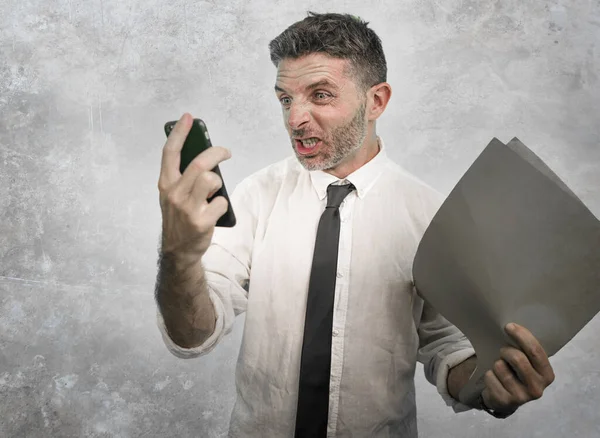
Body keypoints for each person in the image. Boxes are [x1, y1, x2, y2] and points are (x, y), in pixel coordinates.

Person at [155, 12, 555, 438]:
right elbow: (193, 335)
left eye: (320, 95)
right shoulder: (256, 197)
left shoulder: (431, 215)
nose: (295, 119)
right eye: (285, 99)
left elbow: (448, 348)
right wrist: (178, 257)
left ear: (376, 101)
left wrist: (492, 387)